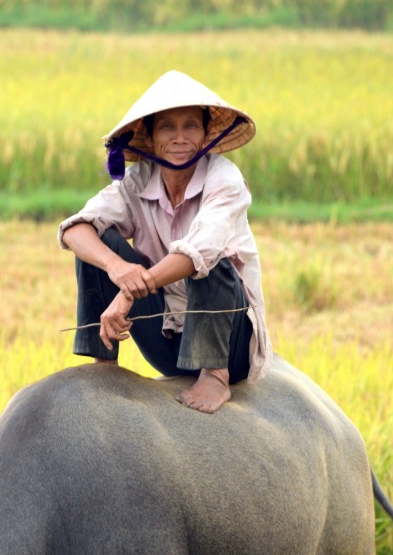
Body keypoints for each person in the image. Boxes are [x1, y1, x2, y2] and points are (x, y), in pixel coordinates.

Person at [59, 70, 272, 413]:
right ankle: (102, 360)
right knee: (100, 240)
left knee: (211, 261)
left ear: (205, 135)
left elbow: (199, 251)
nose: (180, 137)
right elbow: (74, 230)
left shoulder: (225, 179)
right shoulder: (138, 180)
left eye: (191, 126)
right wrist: (118, 268)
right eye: (167, 127)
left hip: (228, 344)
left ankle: (215, 378)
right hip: (167, 340)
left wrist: (128, 293)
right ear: (152, 136)